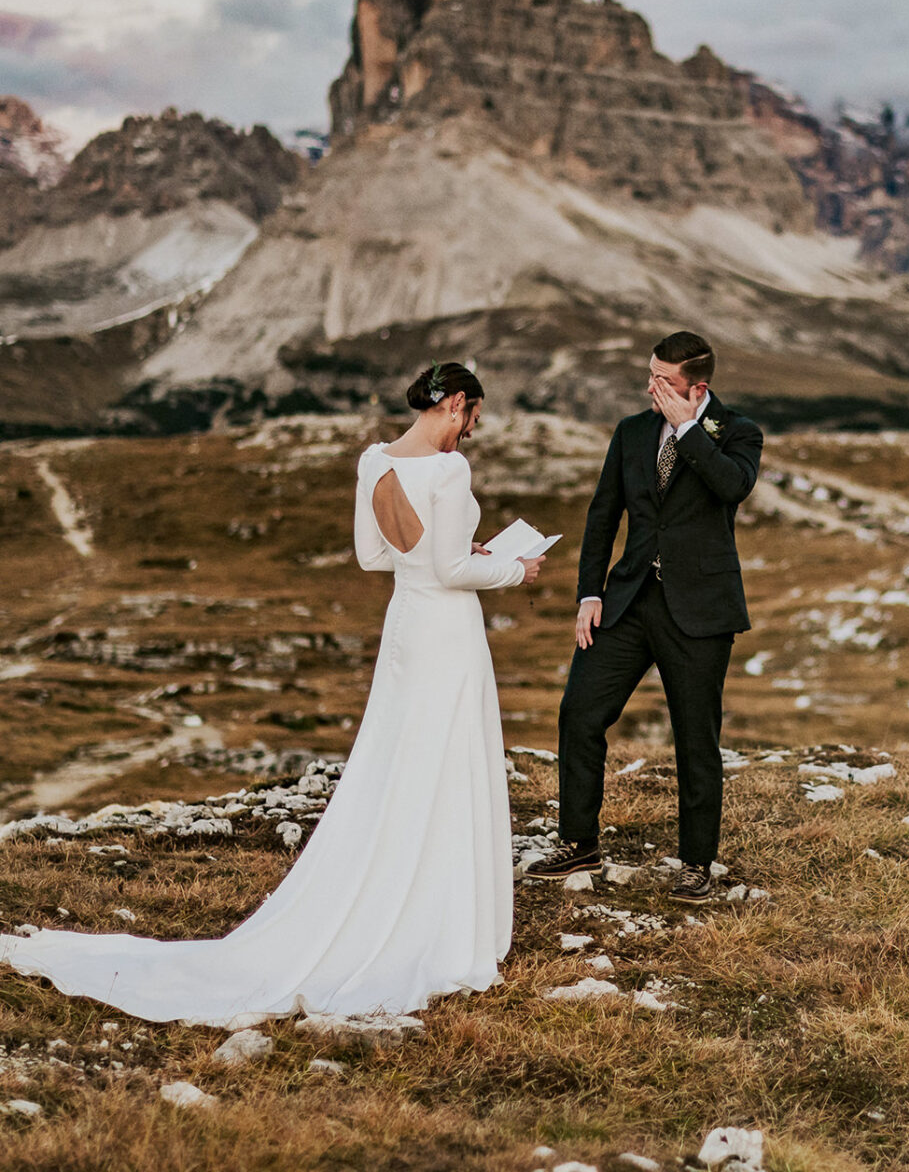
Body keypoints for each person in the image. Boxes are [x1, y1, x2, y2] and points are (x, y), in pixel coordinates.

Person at [0, 362, 545, 1025]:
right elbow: (452, 569)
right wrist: (514, 567)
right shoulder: (449, 471)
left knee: (401, 757)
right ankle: (440, 920)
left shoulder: (376, 463)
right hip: (447, 631)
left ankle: (397, 886)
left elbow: (378, 559)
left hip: (406, 626)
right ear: (456, 403)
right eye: (473, 419)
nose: (470, 434)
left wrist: (460, 550)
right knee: (445, 756)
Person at [526, 332, 762, 902]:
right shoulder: (631, 431)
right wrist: (589, 593)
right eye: (650, 375)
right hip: (627, 602)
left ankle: (696, 864)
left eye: (663, 381)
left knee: (695, 738)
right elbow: (603, 513)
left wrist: (686, 431)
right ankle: (579, 841)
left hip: (701, 611)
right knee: (580, 713)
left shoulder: (737, 433)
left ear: (696, 387)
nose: (650, 387)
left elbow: (733, 486)